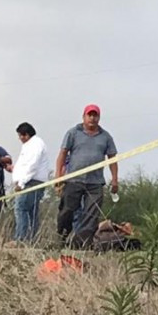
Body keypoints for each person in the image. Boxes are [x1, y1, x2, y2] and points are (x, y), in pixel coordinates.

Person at [56, 104, 119, 248]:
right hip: (73, 179)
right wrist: (58, 176)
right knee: (67, 211)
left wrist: (115, 179)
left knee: (91, 214)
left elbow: (112, 159)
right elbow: (62, 154)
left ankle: (82, 244)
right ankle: (62, 238)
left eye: (95, 115)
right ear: (83, 117)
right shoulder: (73, 133)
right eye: (89, 115)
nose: (92, 118)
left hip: (95, 182)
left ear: (99, 117)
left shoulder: (106, 137)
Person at [12, 122, 52, 243]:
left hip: (32, 182)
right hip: (30, 181)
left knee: (21, 208)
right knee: (31, 212)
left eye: (21, 135)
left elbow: (32, 165)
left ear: (26, 134)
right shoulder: (29, 145)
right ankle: (32, 240)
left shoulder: (35, 144)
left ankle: (21, 238)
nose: (20, 138)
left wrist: (21, 183)